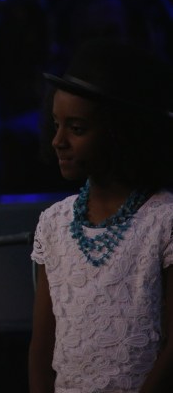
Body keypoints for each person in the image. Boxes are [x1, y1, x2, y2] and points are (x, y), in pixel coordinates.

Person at [28, 37, 173, 393]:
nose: (58, 140)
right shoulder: (54, 223)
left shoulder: (163, 220)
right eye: (56, 124)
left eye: (77, 129)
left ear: (120, 133)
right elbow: (42, 348)